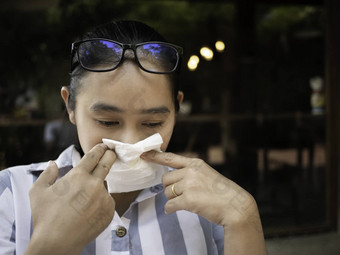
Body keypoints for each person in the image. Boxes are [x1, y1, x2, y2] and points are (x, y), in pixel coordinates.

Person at [0, 20, 268, 255]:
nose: (129, 142)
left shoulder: (210, 206)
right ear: (70, 106)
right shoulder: (11, 196)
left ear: (176, 109)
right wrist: (52, 244)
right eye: (107, 121)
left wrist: (244, 216)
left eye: (152, 123)